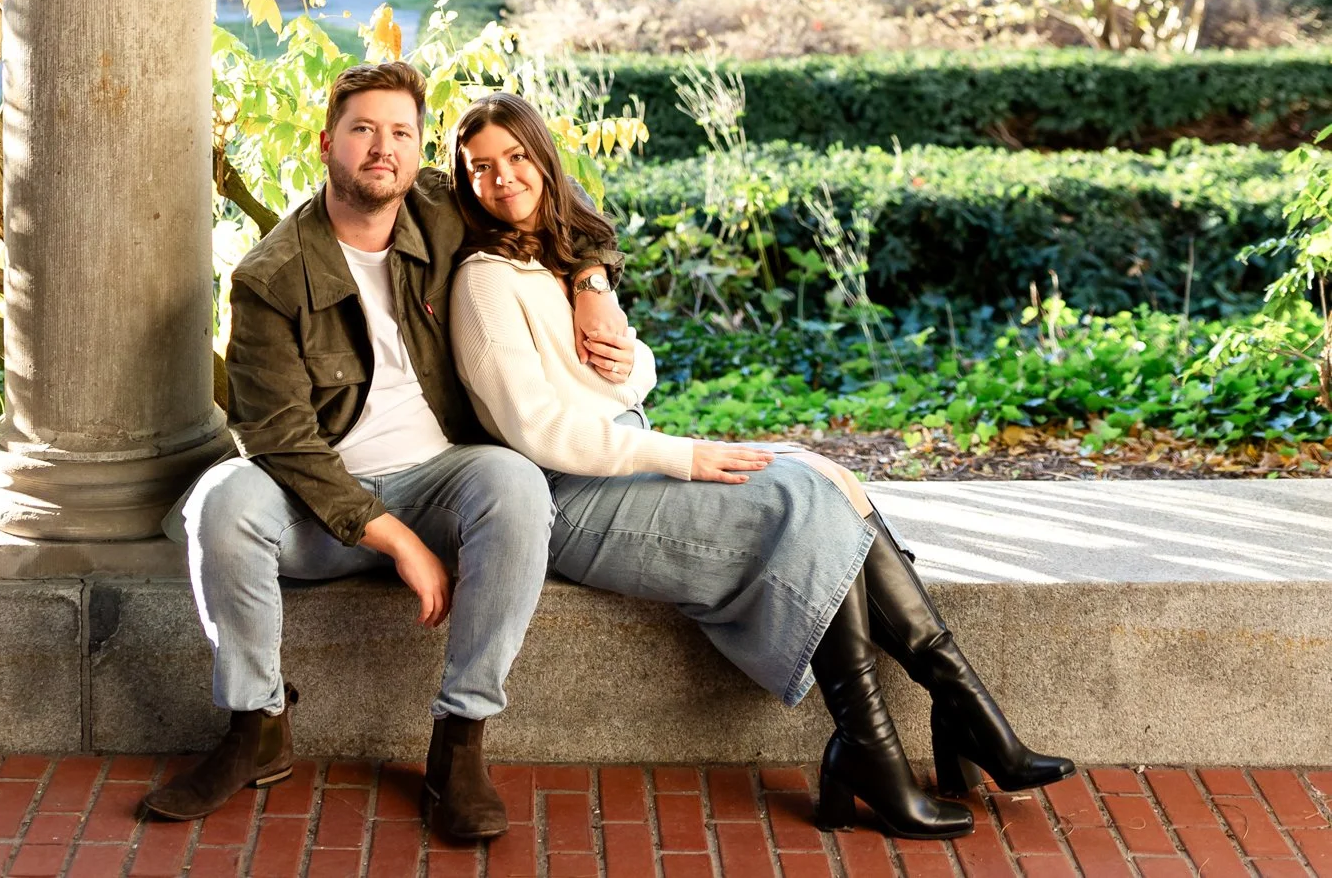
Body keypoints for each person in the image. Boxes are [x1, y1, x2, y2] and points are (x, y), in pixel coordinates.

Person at [448, 92, 1075, 839]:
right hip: (571, 496)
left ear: (544, 160)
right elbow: (540, 431)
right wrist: (684, 455)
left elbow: (631, 380)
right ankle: (923, 731)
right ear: (463, 181)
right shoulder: (485, 280)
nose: (502, 178)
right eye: (479, 167)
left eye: (516, 156)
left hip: (623, 453)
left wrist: (607, 316)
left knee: (827, 479)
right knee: (804, 497)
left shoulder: (566, 261)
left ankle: (931, 722)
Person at [142, 61, 565, 846]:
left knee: (514, 482)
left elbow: (558, 208)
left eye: (400, 132)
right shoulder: (270, 277)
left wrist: (597, 281)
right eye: (363, 129)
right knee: (220, 501)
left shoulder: (443, 208)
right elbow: (279, 438)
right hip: (318, 501)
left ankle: (459, 741)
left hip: (441, 477)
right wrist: (395, 538)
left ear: (418, 149)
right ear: (326, 144)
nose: (383, 148)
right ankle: (256, 725)